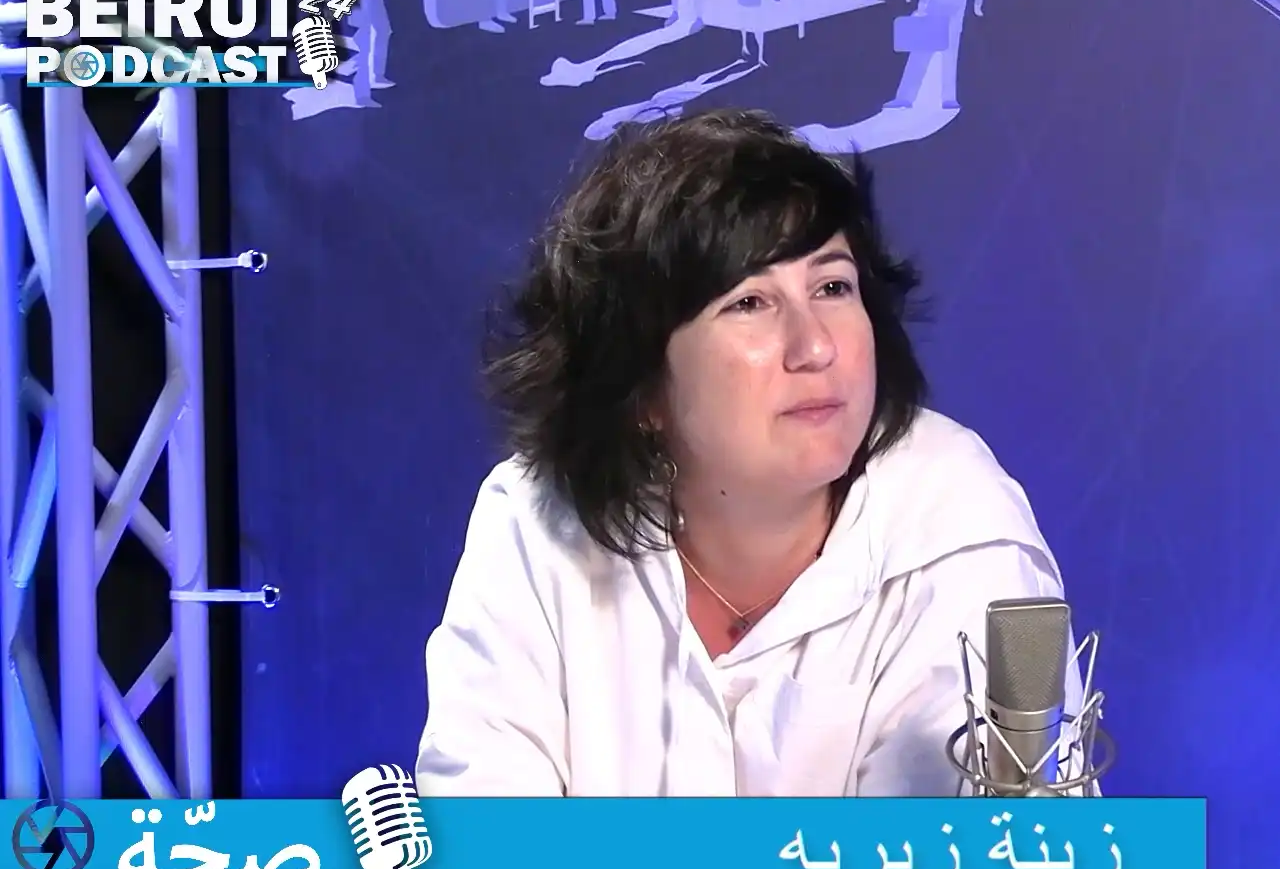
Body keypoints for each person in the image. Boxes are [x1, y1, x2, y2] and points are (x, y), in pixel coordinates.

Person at [414, 109, 1086, 809]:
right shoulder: (536, 522)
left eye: (832, 287)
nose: (816, 347)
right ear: (640, 383)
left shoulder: (962, 534)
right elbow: (482, 851)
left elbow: (973, 866)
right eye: (751, 303)